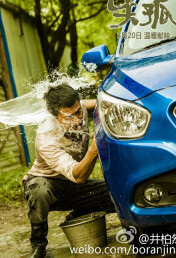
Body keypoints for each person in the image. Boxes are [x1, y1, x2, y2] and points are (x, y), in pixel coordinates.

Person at [23, 83, 116, 258]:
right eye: (68, 117)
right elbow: (78, 176)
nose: (77, 120)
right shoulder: (46, 137)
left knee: (117, 193)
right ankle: (38, 245)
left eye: (78, 112)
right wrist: (94, 148)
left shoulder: (77, 107)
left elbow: (97, 103)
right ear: (55, 116)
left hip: (73, 186)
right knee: (39, 190)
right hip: (49, 184)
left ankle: (79, 213)